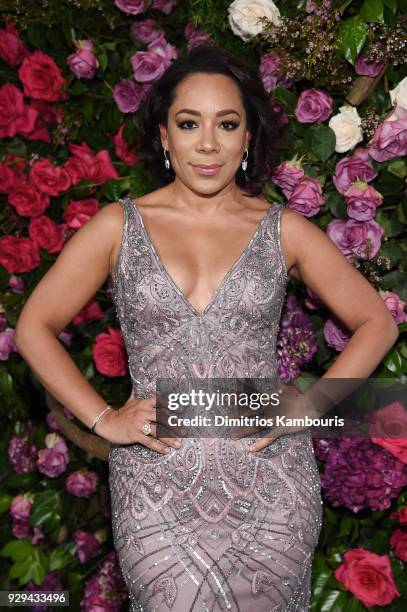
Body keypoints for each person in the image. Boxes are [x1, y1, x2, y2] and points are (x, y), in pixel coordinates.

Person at [14, 43, 399, 611]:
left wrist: (314, 403)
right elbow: (33, 327)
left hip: (270, 484)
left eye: (228, 123)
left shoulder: (284, 230)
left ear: (248, 138)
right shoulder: (118, 226)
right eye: (189, 123)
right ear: (164, 135)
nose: (209, 144)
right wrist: (104, 418)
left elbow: (376, 324)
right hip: (157, 484)